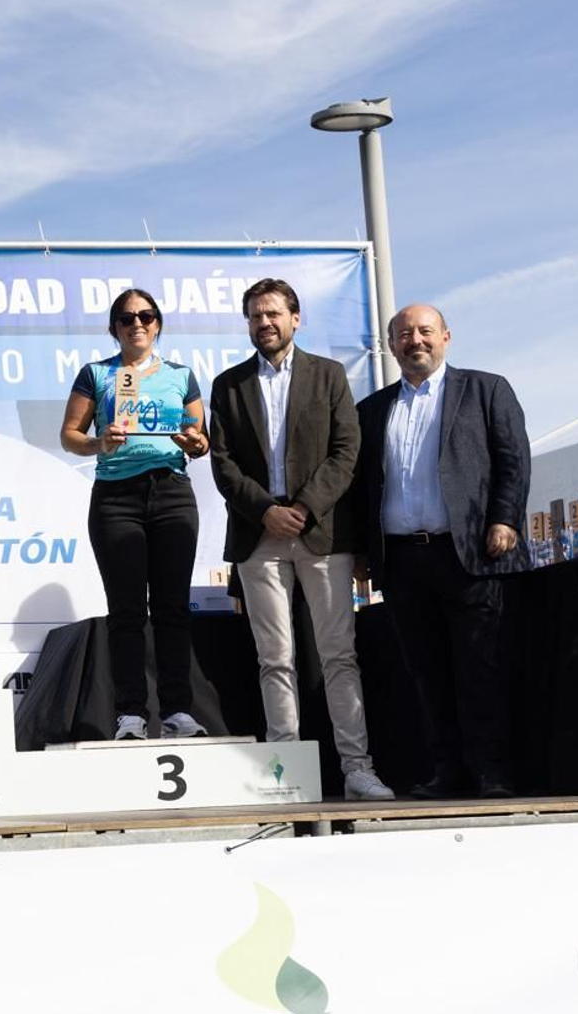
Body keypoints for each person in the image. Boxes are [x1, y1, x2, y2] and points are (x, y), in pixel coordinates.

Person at [208, 278, 393, 800]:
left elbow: (346, 450)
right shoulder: (228, 385)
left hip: (324, 533)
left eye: (272, 314)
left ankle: (357, 769)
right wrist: (266, 510)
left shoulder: (329, 375)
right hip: (258, 535)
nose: (263, 323)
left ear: (295, 318)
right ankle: (283, 770)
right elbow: (222, 464)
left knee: (339, 654)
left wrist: (305, 507)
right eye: (254, 316)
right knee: (275, 657)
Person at [355, 303, 530, 799]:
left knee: (481, 668)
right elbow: (362, 487)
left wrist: (505, 518)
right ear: (392, 346)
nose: (416, 340)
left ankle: (491, 773)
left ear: (446, 337)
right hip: (403, 560)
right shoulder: (371, 410)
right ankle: (445, 772)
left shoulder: (485, 389)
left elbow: (513, 458)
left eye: (425, 331)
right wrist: (361, 551)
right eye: (405, 334)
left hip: (470, 553)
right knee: (426, 674)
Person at [59, 289, 209, 740]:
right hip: (116, 497)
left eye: (145, 316)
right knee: (126, 610)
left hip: (171, 494)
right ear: (114, 328)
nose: (136, 323)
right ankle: (130, 714)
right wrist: (98, 443)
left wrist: (196, 443)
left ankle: (178, 711)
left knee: (172, 609)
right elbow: (69, 434)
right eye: (126, 318)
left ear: (158, 324)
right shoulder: (97, 374)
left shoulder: (181, 375)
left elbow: (201, 438)